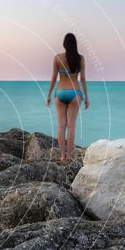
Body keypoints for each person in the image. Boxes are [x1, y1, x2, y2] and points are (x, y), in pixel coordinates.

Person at [46, 32, 89, 161]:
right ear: (75, 44)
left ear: (64, 44)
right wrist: (86, 97)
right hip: (75, 93)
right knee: (71, 127)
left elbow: (53, 78)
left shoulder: (57, 58)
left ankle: (62, 156)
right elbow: (83, 79)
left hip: (60, 93)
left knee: (61, 126)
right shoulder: (80, 59)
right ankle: (69, 156)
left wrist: (48, 95)